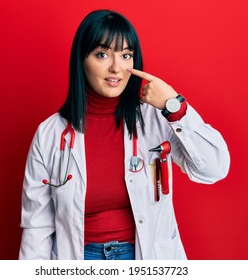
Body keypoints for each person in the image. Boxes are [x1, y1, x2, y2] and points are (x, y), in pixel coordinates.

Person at [19, 9, 230, 260]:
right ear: (81, 60)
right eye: (102, 54)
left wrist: (175, 106)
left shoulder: (155, 118)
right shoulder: (50, 134)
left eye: (126, 55)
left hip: (145, 257)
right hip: (79, 258)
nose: (116, 68)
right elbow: (37, 227)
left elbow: (214, 169)